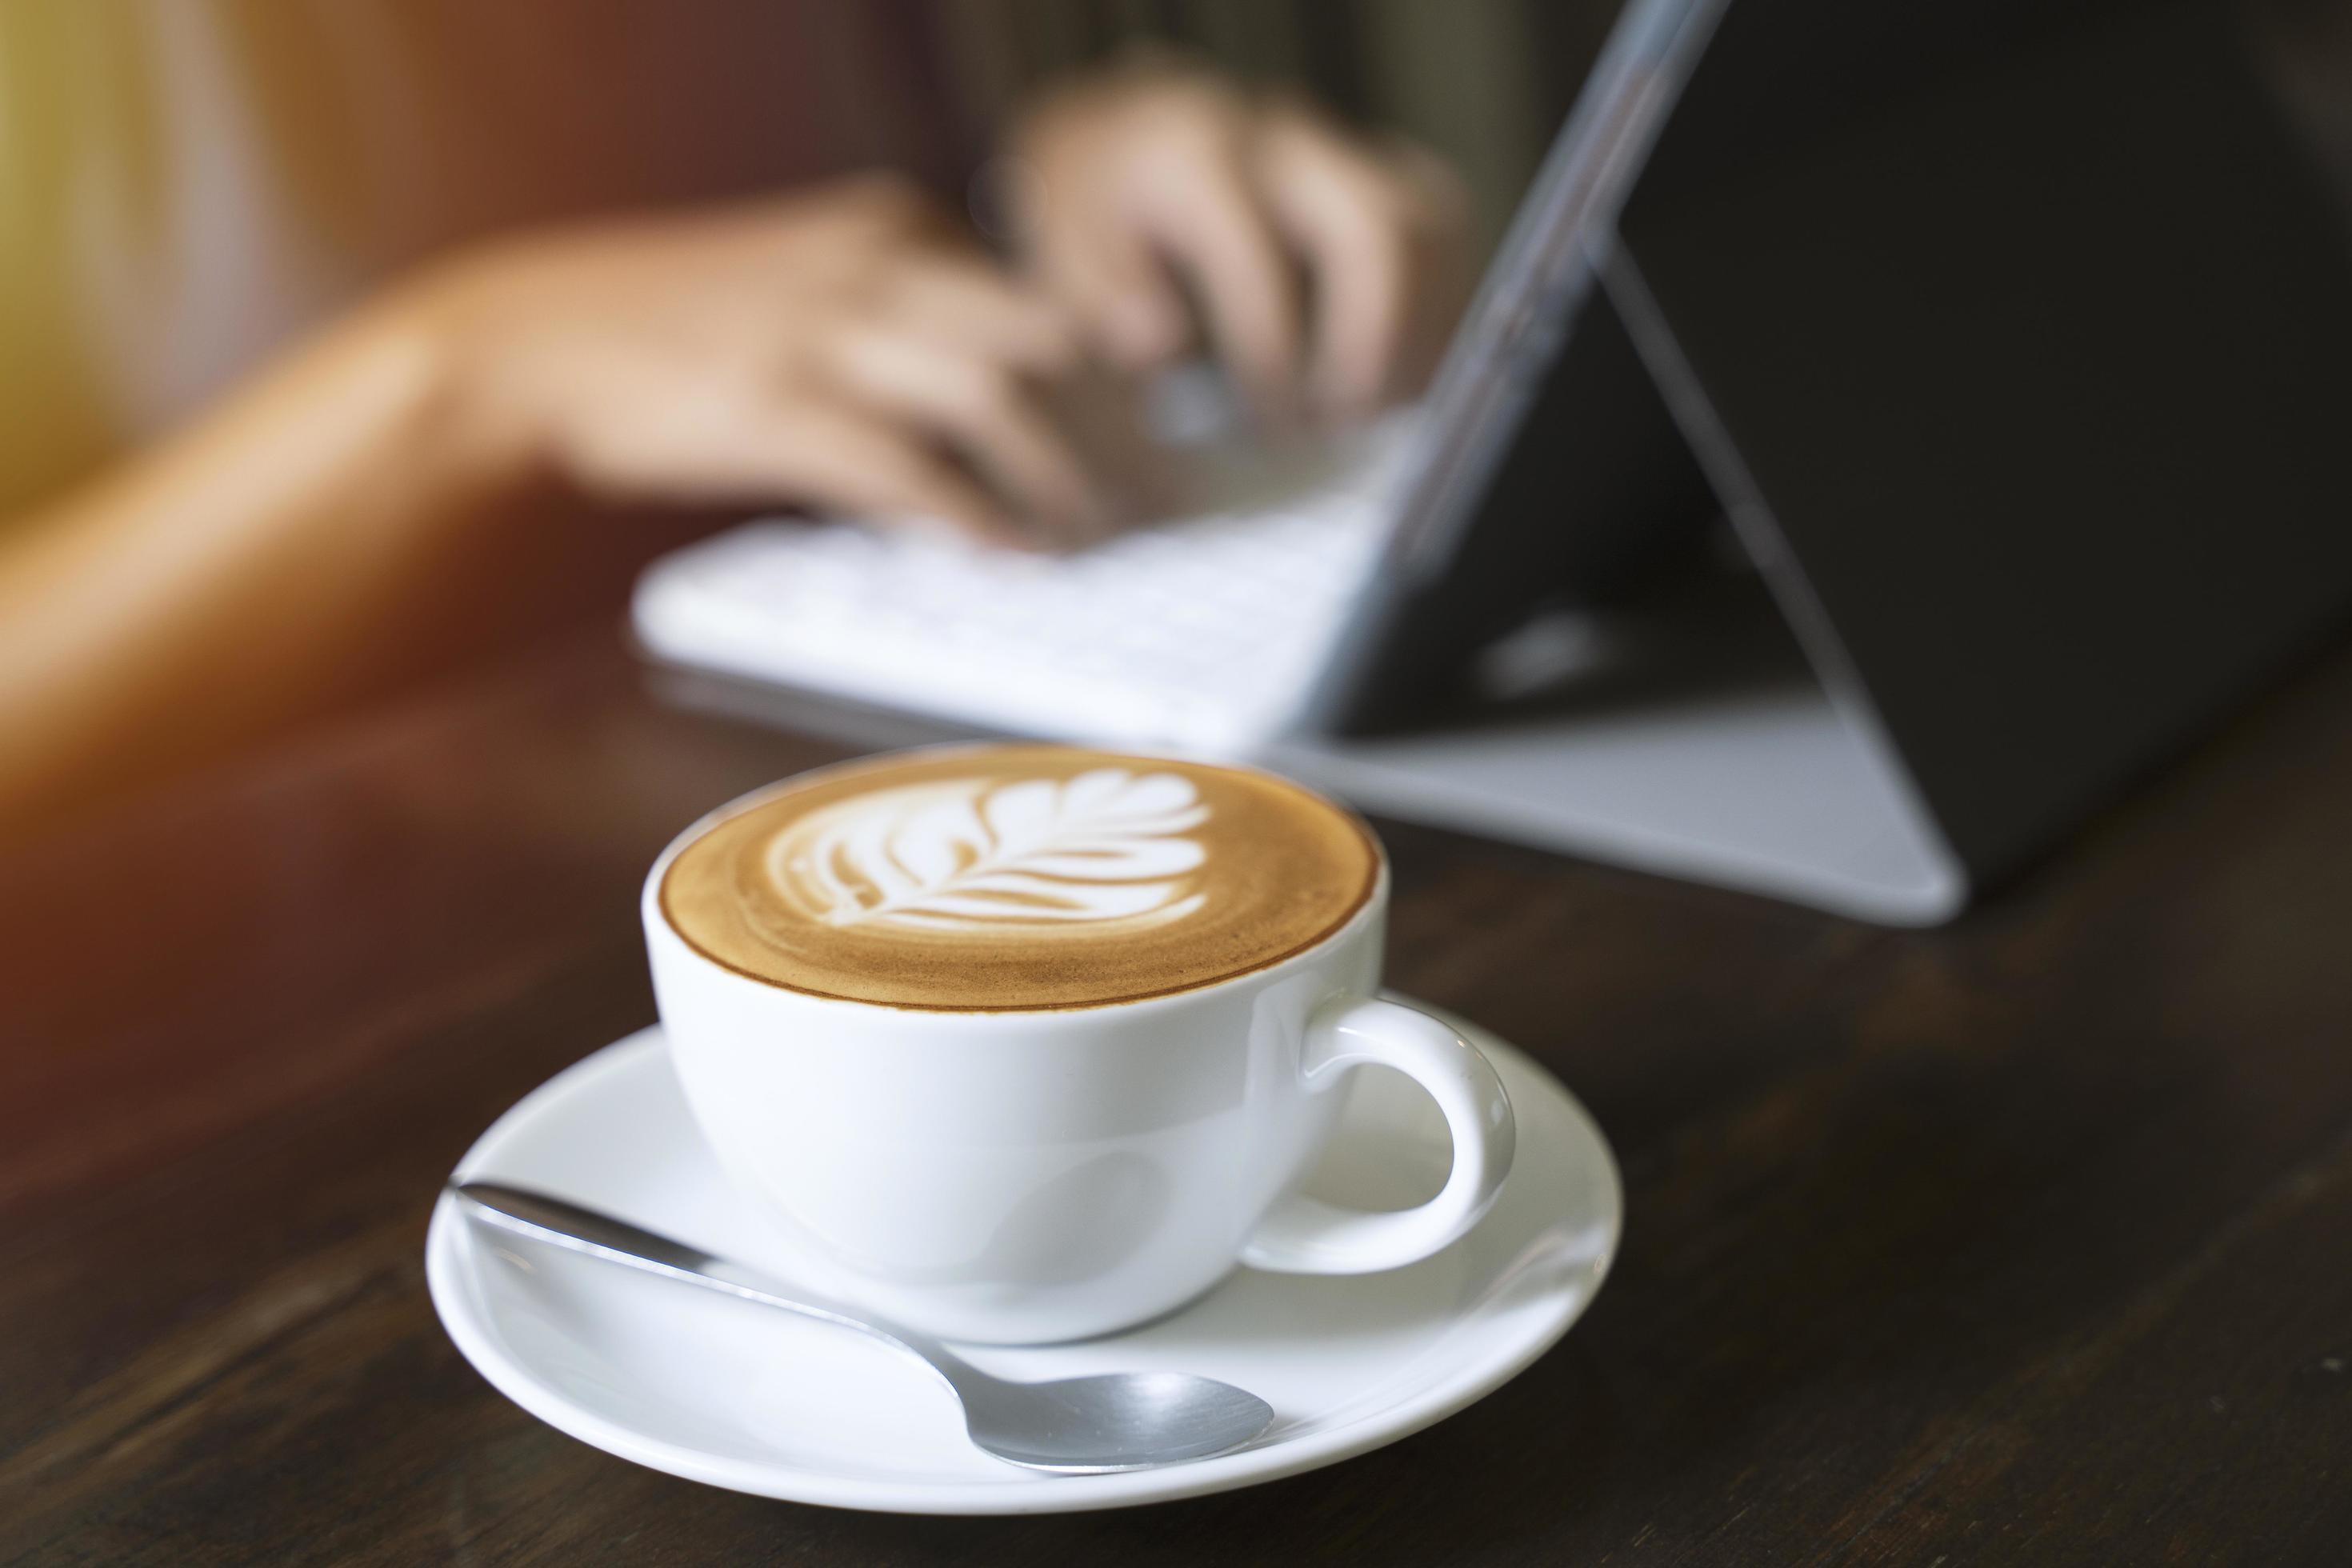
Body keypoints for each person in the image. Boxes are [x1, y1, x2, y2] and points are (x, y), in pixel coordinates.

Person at [0, 8, 1466, 836]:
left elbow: (866, 232)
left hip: (871, 756)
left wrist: (1060, 183)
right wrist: (467, 371)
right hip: (284, 999)